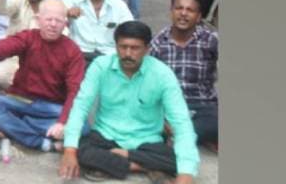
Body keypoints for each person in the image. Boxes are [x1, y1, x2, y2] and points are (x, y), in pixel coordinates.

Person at [59, 21, 199, 183]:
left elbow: (181, 122)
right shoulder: (100, 66)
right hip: (106, 137)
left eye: (135, 48)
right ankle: (145, 166)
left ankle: (118, 163)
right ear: (116, 46)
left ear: (147, 49)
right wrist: (69, 151)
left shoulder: (162, 74)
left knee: (182, 160)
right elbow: (81, 106)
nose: (127, 53)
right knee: (80, 150)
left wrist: (185, 175)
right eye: (123, 47)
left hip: (148, 140)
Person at [0, 0, 86, 152]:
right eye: (48, 19)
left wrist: (62, 122)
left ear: (65, 23)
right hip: (20, 100)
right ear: (39, 20)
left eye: (58, 20)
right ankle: (41, 142)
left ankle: (15, 126)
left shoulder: (73, 51)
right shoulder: (29, 37)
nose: (53, 24)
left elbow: (74, 91)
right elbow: (9, 45)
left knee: (84, 126)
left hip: (52, 107)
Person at [150, 0, 218, 150]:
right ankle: (189, 137)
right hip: (170, 107)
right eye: (179, 8)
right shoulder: (157, 43)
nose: (183, 13)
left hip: (204, 106)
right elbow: (148, 83)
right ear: (171, 12)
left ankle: (179, 137)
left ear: (199, 16)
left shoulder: (210, 40)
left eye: (190, 10)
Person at [62, 0, 133, 65]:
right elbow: (55, 16)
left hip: (109, 57)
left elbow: (131, 29)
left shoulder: (118, 5)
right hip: (80, 55)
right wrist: (66, 13)